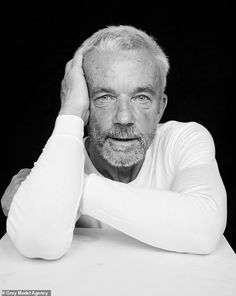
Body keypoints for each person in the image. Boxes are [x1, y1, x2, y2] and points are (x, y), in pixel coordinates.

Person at [1, 25, 227, 260]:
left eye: (141, 98)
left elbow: (204, 228)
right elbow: (38, 243)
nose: (124, 118)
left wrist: (70, 190)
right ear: (83, 104)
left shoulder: (184, 140)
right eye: (105, 97)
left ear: (161, 107)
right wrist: (69, 113)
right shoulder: (63, 155)